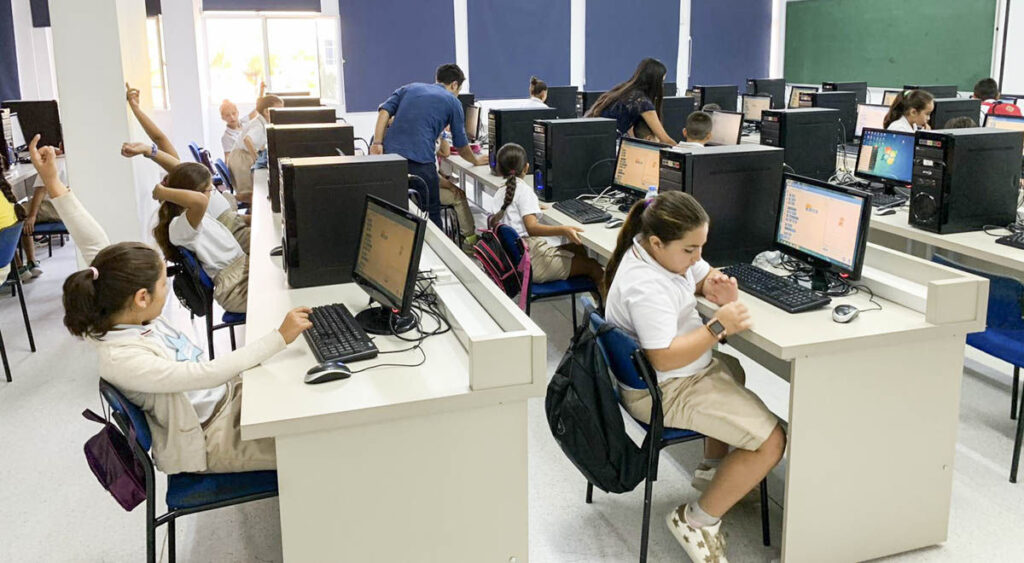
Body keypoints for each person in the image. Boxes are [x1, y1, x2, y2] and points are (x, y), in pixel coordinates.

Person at [27, 134, 312, 474]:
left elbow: (93, 242)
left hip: (227, 397)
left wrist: (52, 182)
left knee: (305, 392)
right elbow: (203, 374)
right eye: (163, 284)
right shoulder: (123, 358)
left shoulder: (129, 314)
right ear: (142, 297)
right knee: (312, 442)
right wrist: (279, 337)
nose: (168, 290)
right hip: (212, 436)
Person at [603, 190, 785, 562]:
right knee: (773, 441)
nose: (697, 256)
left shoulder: (661, 254)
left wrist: (716, 284)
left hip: (668, 378)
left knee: (733, 369)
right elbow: (664, 358)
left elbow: (701, 273)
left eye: (702, 246)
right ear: (657, 243)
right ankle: (696, 521)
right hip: (662, 389)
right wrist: (718, 326)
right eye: (690, 249)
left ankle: (713, 471)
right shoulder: (645, 285)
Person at [122, 84, 250, 250]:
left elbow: (160, 139)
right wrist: (148, 150)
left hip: (240, 226)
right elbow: (233, 225)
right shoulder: (195, 203)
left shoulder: (193, 191)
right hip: (240, 239)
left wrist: (136, 108)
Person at [371, 63, 487, 227]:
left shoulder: (409, 88)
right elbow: (461, 146)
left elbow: (384, 111)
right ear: (454, 85)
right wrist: (475, 160)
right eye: (458, 90)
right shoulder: (453, 102)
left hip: (389, 158)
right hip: (420, 162)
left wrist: (377, 143)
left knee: (395, 209)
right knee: (431, 214)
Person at [489, 143, 604, 293]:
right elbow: (532, 228)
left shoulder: (500, 193)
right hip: (532, 262)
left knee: (578, 248)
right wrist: (563, 230)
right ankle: (602, 306)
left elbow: (512, 211)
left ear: (499, 169)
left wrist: (530, 207)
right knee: (594, 266)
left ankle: (592, 298)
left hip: (515, 259)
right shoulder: (524, 191)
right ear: (526, 167)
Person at [152, 162, 250, 314]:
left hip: (243, 272)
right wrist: (163, 193)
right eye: (209, 190)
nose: (211, 193)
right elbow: (200, 201)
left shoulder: (196, 217)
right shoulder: (180, 227)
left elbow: (182, 170)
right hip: (235, 288)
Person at [586, 58, 676, 145]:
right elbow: (665, 139)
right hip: (599, 144)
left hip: (589, 138)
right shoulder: (642, 102)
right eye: (661, 82)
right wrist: (681, 149)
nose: (662, 86)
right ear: (655, 82)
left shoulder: (624, 90)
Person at [226, 94, 284, 204]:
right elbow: (247, 140)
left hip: (242, 155)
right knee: (250, 193)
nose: (282, 114)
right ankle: (230, 200)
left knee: (254, 191)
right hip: (241, 159)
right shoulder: (258, 125)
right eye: (279, 110)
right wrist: (256, 158)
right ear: (267, 112)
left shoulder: (261, 122)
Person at [436, 131, 479, 250]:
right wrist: (451, 186)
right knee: (459, 195)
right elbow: (433, 177)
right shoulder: (425, 138)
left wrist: (442, 134)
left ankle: (460, 233)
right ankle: (469, 240)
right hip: (426, 188)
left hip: (422, 184)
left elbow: (445, 153)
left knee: (454, 188)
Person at [221, 82, 266, 156]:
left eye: (233, 113)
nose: (232, 117)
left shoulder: (243, 121)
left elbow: (256, 111)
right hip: (245, 159)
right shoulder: (226, 137)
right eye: (227, 115)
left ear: (237, 112)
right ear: (223, 118)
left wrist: (261, 92)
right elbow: (228, 158)